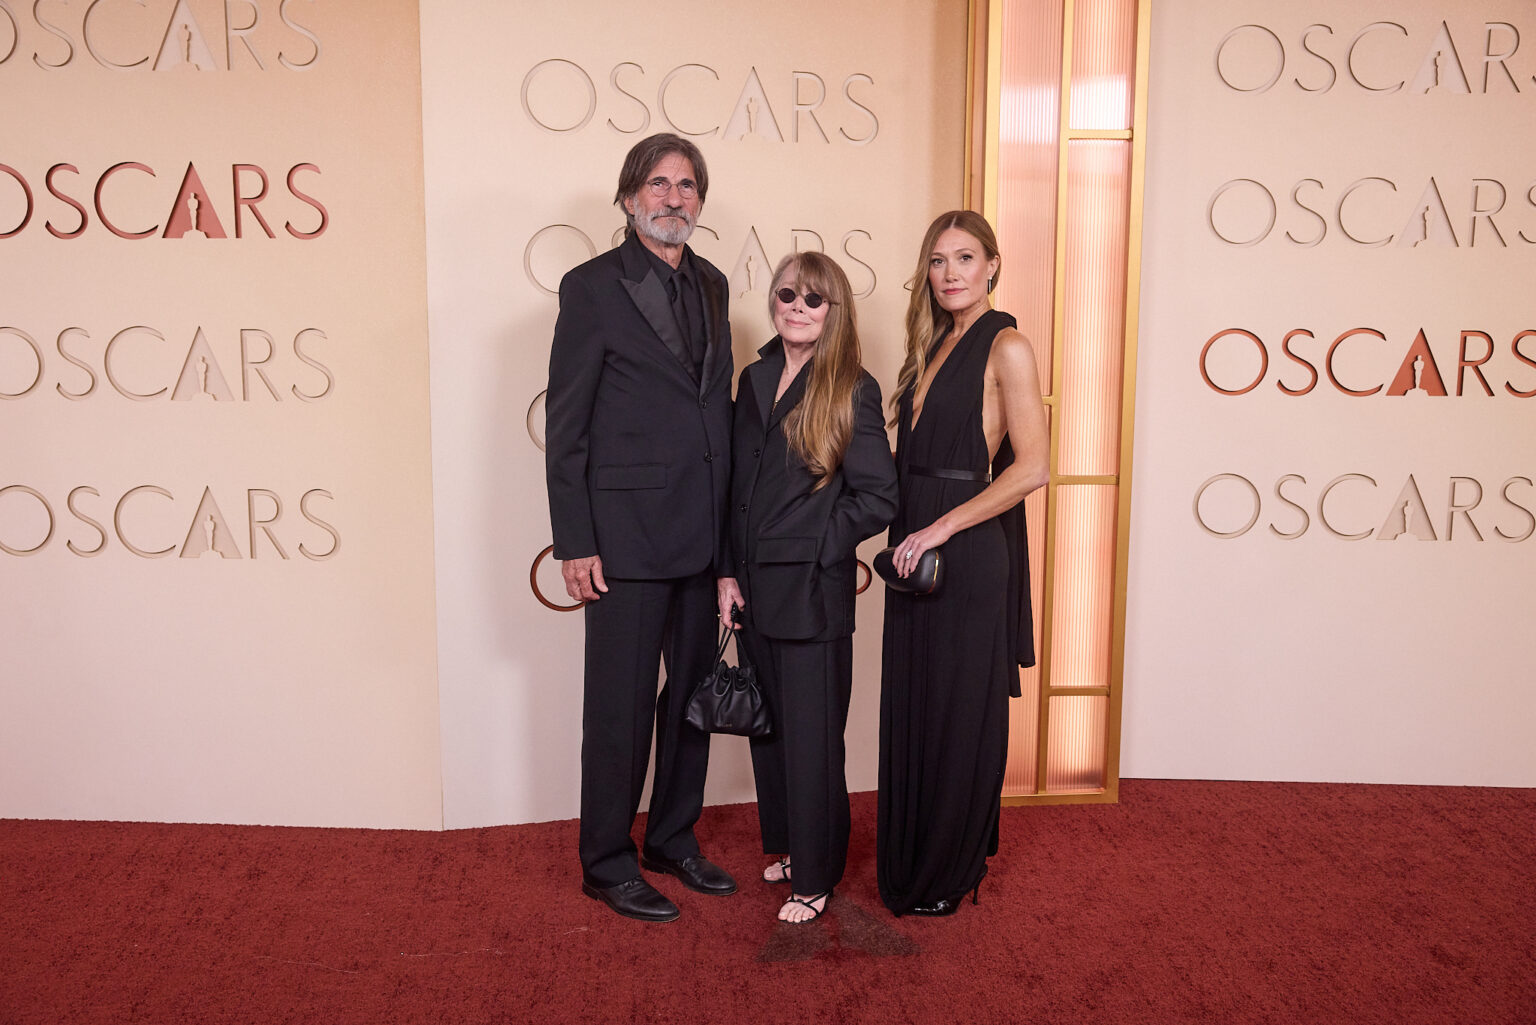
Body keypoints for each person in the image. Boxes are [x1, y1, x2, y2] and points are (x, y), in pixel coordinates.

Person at [545, 133, 736, 923]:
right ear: (629, 199)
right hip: (622, 538)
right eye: (657, 184)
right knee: (618, 709)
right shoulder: (591, 286)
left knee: (692, 699)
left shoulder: (716, 284)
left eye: (687, 186)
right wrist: (575, 537)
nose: (673, 198)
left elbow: (713, 414)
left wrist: (731, 549)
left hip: (702, 534)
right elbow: (567, 423)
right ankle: (606, 861)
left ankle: (671, 836)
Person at [876, 210, 1049, 917]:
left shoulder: (1006, 344)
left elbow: (1033, 467)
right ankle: (918, 852)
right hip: (915, 549)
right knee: (919, 704)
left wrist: (941, 526)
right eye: (939, 261)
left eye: (965, 258)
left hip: (966, 552)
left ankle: (948, 866)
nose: (950, 273)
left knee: (955, 711)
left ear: (994, 266)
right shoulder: (932, 346)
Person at [717, 252, 897, 923]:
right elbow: (738, 488)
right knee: (770, 729)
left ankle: (816, 877)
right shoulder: (756, 375)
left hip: (813, 592)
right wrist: (727, 571)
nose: (797, 306)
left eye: (813, 298)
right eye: (787, 292)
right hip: (753, 588)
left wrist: (817, 541)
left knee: (813, 735)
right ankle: (793, 844)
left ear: (834, 310)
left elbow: (879, 495)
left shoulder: (853, 387)